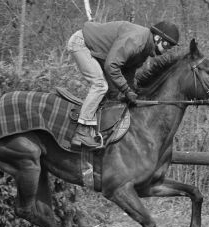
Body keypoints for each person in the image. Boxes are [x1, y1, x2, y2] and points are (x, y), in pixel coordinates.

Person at [66, 20, 180, 150]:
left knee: (114, 94)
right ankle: (81, 132)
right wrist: (126, 90)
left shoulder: (144, 50)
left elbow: (128, 71)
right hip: (81, 44)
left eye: (169, 48)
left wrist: (133, 92)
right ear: (158, 37)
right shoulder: (136, 40)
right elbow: (111, 65)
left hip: (100, 54)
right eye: (167, 45)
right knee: (100, 85)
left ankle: (96, 130)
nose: (166, 50)